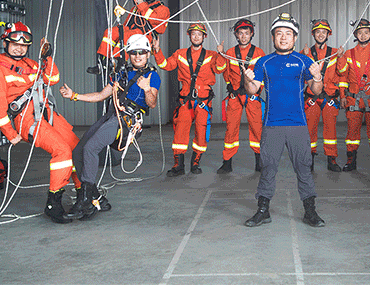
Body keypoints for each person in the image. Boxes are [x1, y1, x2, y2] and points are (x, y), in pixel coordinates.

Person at [0, 21, 81, 224]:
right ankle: (53, 203)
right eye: (15, 43)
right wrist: (11, 134)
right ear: (5, 44)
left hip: (47, 113)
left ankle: (85, 192)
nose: (20, 47)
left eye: (24, 44)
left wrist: (47, 57)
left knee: (76, 148)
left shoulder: (32, 65)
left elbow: (52, 78)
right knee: (62, 151)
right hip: (26, 120)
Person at [59, 34, 160, 220]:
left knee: (90, 149)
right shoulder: (121, 74)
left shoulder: (152, 76)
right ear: (129, 54)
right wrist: (74, 95)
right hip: (111, 116)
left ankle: (86, 200)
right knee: (78, 151)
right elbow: (100, 95)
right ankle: (96, 196)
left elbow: (152, 103)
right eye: (134, 53)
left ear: (148, 54)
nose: (138, 56)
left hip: (127, 121)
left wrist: (146, 88)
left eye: (142, 53)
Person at [243, 13, 326, 228]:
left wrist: (318, 77)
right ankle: (263, 210)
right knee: (268, 166)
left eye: (288, 34)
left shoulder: (303, 61)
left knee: (303, 167)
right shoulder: (264, 62)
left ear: (295, 38)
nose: (283, 38)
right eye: (279, 33)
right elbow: (253, 89)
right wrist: (248, 80)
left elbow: (316, 91)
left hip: (298, 124)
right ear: (272, 37)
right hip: (272, 124)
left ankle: (310, 211)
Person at [152, 23, 220, 176]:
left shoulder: (211, 55)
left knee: (201, 133)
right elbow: (166, 65)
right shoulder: (180, 54)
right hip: (185, 101)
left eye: (199, 34)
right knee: (180, 133)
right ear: (189, 36)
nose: (196, 36)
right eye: (193, 34)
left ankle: (195, 164)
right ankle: (178, 165)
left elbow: (219, 69)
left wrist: (221, 55)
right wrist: (157, 51)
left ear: (204, 37)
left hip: (203, 102)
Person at [87, 0, 170, 75]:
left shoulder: (162, 9)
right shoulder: (136, 8)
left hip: (146, 35)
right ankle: (103, 62)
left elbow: (158, 26)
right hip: (132, 32)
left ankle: (121, 63)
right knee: (111, 32)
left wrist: (141, 4)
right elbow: (127, 23)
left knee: (126, 36)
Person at [337, 19, 370, 172]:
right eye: (360, 33)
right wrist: (342, 95)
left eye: (366, 32)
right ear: (356, 35)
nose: (363, 36)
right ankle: (351, 162)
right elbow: (342, 75)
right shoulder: (348, 54)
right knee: (352, 131)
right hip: (353, 98)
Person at [215, 19, 265, 174]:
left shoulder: (259, 53)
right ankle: (227, 162)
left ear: (251, 35)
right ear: (236, 35)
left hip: (252, 96)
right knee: (231, 128)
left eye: (247, 33)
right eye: (241, 33)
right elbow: (219, 69)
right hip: (235, 96)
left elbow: (263, 75)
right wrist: (220, 53)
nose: (244, 36)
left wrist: (257, 91)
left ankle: (259, 162)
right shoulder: (229, 53)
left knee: (257, 128)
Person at [300, 19, 343, 172]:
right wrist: (304, 57)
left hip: (329, 98)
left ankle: (332, 160)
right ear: (313, 34)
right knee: (309, 129)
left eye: (323, 32)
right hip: (311, 98)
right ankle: (309, 159)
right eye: (317, 32)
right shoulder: (306, 53)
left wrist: (341, 57)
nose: (320, 34)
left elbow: (342, 72)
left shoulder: (335, 52)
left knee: (330, 131)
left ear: (328, 34)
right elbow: (301, 76)